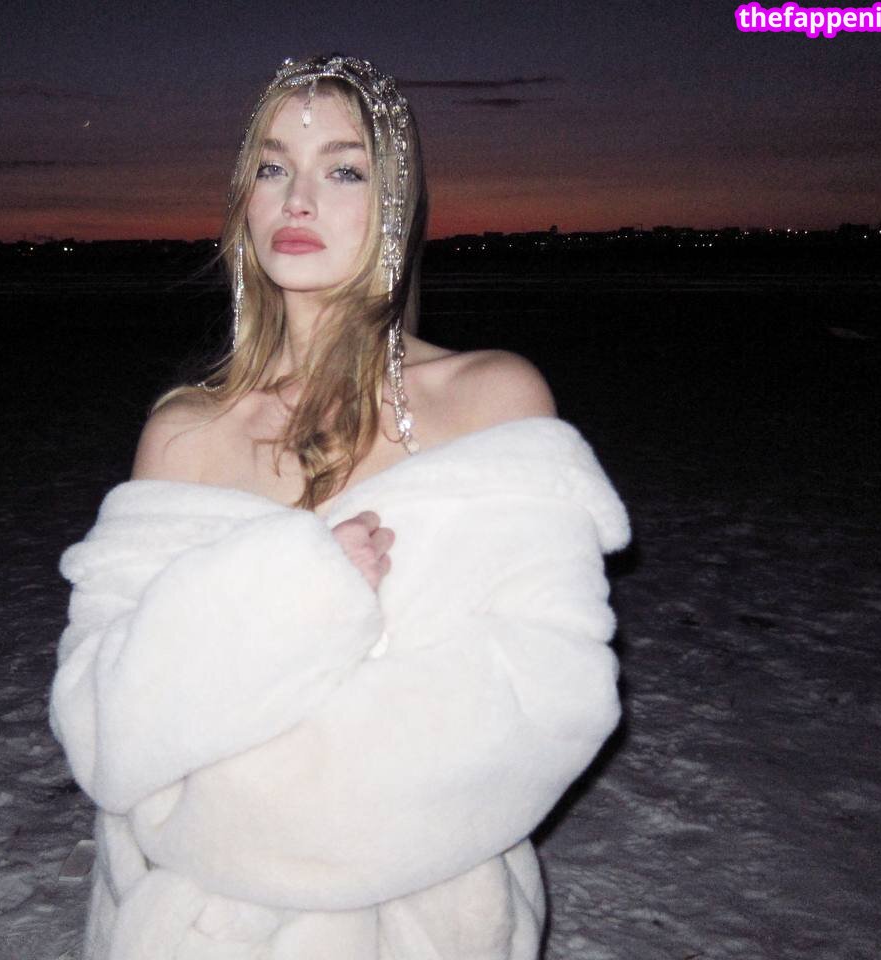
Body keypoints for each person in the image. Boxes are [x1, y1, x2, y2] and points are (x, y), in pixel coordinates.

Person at [49, 54, 631, 960]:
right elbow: (103, 727)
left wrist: (223, 799)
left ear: (396, 201)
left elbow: (552, 700)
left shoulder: (490, 402)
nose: (298, 200)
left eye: (345, 170)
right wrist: (297, 594)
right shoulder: (185, 433)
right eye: (272, 167)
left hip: (424, 927)